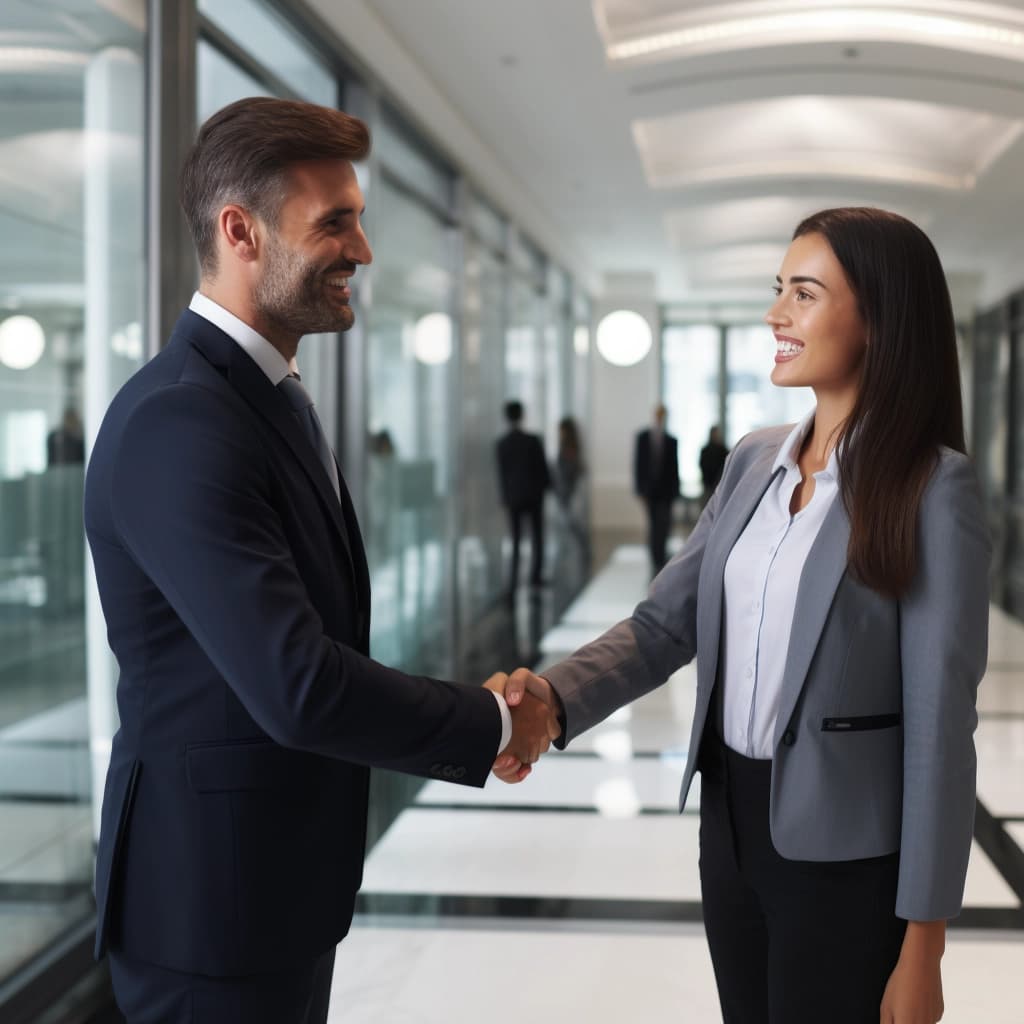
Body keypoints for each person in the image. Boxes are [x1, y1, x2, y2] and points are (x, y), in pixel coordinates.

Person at [83, 97, 558, 1024]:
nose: (362, 251)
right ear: (240, 231)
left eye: (360, 219)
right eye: (334, 223)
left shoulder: (265, 399)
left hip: (270, 893)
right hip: (208, 917)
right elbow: (296, 682)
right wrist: (492, 726)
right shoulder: (184, 418)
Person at [495, 207, 990, 1024]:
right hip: (729, 831)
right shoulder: (755, 459)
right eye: (778, 291)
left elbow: (941, 725)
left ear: (879, 320)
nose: (776, 314)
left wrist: (925, 941)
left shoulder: (934, 488)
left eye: (804, 293)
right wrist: (551, 702)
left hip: (846, 858)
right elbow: (665, 624)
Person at [495, 400, 551, 591]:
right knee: (536, 537)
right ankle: (535, 576)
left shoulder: (502, 443)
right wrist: (545, 488)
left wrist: (505, 496)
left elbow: (502, 474)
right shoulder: (532, 440)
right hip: (534, 496)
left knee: (517, 539)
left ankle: (514, 578)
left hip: (514, 497)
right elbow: (542, 470)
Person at [633, 404, 680, 573]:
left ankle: (661, 554)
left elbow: (675, 468)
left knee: (664, 524)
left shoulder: (671, 440)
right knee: (653, 523)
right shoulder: (643, 437)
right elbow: (638, 464)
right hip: (650, 491)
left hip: (666, 492)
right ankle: (655, 556)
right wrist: (639, 489)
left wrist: (676, 491)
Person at [554, 415, 588, 560]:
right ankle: (578, 550)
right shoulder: (570, 447)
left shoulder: (569, 449)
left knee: (571, 523)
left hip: (569, 492)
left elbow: (570, 471)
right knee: (569, 523)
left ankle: (581, 549)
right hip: (566, 492)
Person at [699, 425, 728, 505]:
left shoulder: (723, 450)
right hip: (708, 483)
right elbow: (702, 465)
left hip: (719, 483)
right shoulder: (705, 450)